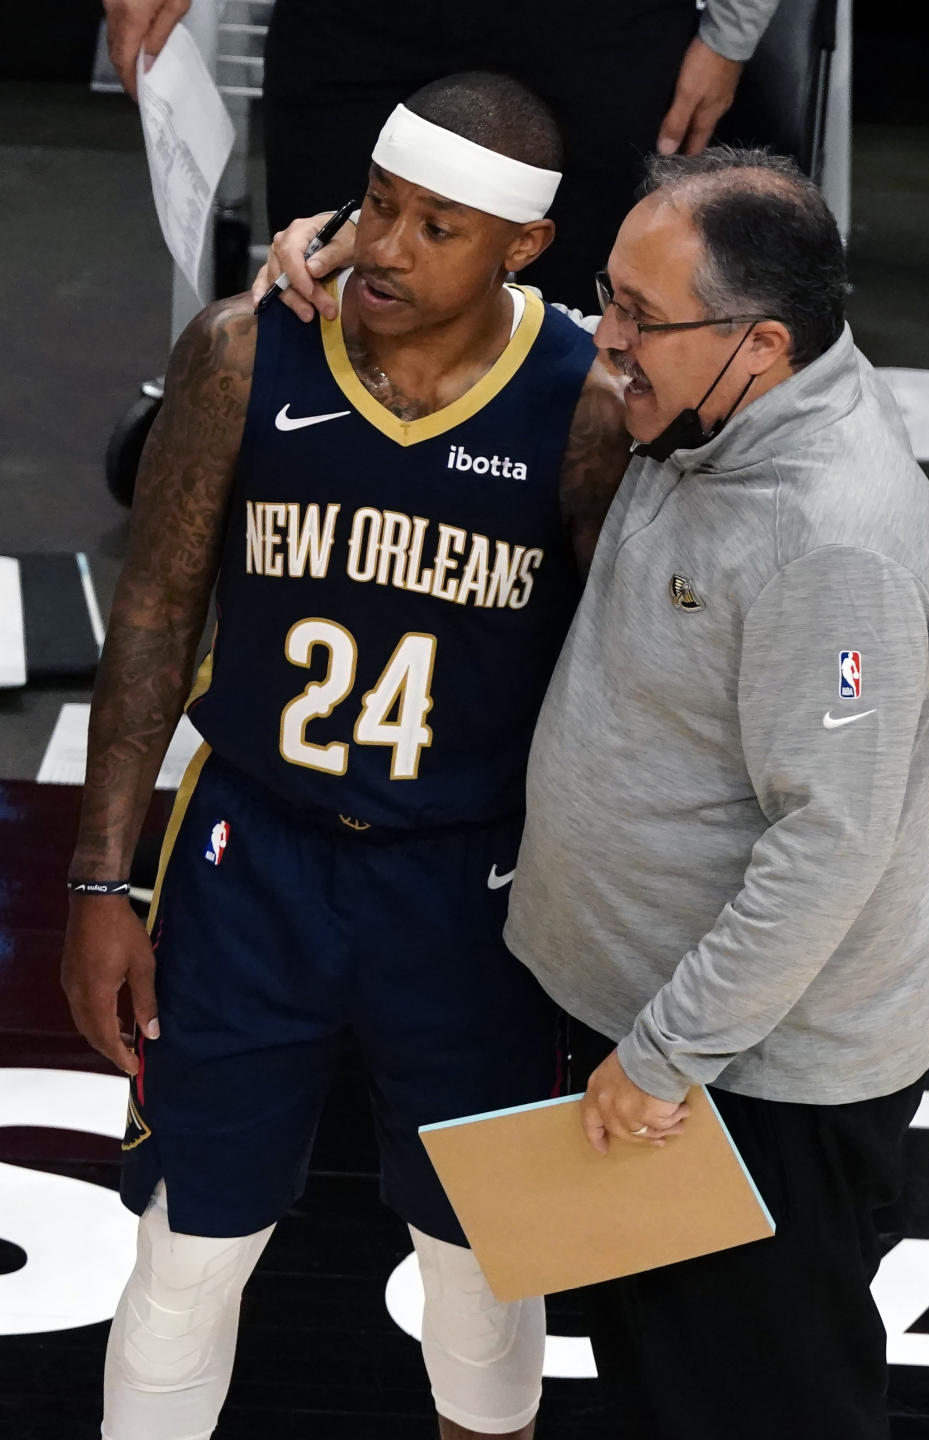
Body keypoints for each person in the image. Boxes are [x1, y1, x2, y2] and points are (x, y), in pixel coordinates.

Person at [60, 72, 632, 1440]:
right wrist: (100, 884)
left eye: (438, 227)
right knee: (188, 1252)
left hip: (475, 890)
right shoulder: (246, 352)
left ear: (524, 249)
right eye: (377, 205)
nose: (383, 246)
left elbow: (633, 692)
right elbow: (150, 615)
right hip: (249, 860)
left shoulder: (588, 404)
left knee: (487, 1266)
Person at [500, 148, 929, 1438]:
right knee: (659, 1393)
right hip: (652, 1049)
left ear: (760, 344)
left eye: (641, 317)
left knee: (760, 1410)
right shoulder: (711, 408)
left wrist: (661, 1060)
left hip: (746, 1090)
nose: (610, 342)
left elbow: (834, 842)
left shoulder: (839, 544)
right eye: (611, 295)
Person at [102, 0, 781, 310]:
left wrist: (733, 29)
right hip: (357, 31)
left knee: (572, 352)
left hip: (596, 32)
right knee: (326, 304)